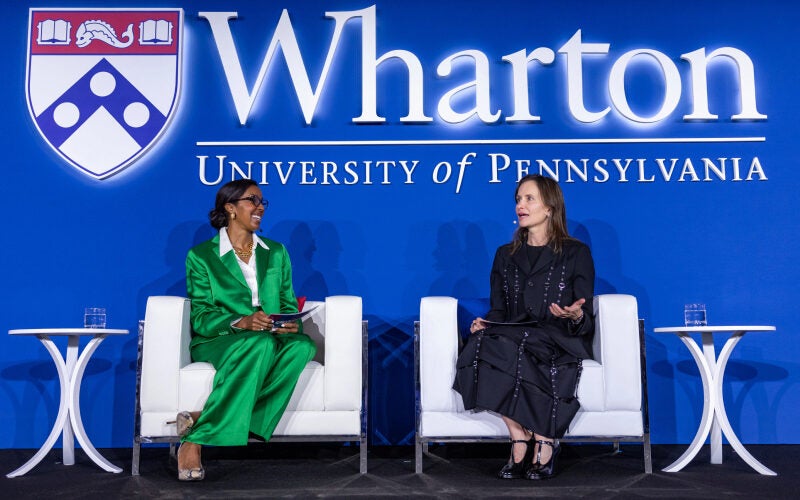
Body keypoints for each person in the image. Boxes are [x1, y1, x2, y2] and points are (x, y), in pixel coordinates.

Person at [453, 174, 595, 480]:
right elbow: (499, 309)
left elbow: (586, 313)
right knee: (479, 343)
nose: (521, 205)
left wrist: (574, 316)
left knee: (512, 345)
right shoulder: (505, 255)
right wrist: (486, 323)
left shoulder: (575, 252)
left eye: (529, 198)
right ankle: (519, 436)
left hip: (556, 336)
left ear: (550, 208)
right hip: (515, 331)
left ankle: (545, 438)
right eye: (518, 199)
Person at [176, 179, 316, 481]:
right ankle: (194, 441)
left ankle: (205, 420)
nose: (260, 207)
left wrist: (292, 324)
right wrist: (241, 321)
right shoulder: (201, 256)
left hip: (268, 334)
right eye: (253, 200)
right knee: (259, 344)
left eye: (263, 201)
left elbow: (287, 302)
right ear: (230, 208)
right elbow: (201, 316)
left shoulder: (276, 252)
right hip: (219, 339)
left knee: (303, 346)